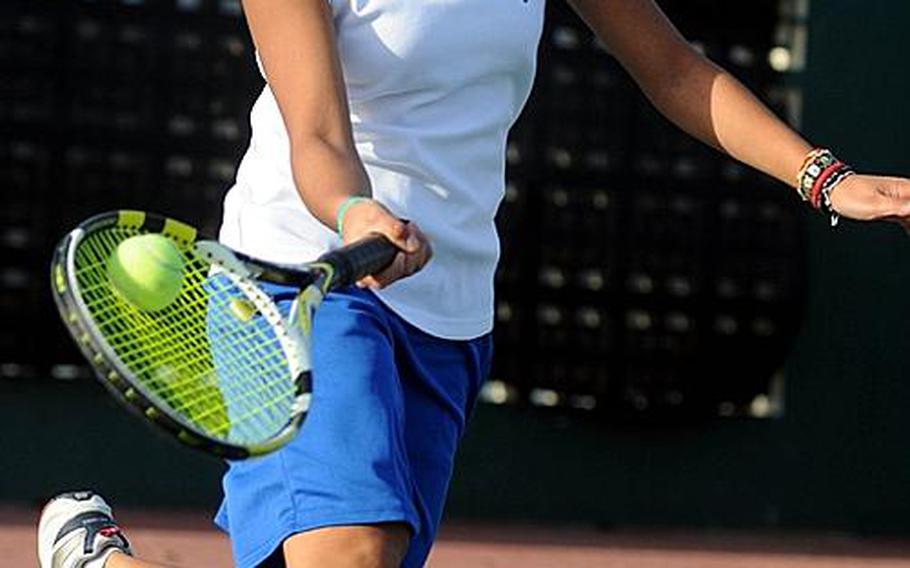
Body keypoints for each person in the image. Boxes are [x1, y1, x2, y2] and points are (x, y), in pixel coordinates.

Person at [38, 0, 910, 567]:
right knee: (352, 554)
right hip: (300, 278)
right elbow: (315, 134)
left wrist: (823, 178)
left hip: (447, 315)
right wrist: (355, 213)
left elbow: (674, 69)